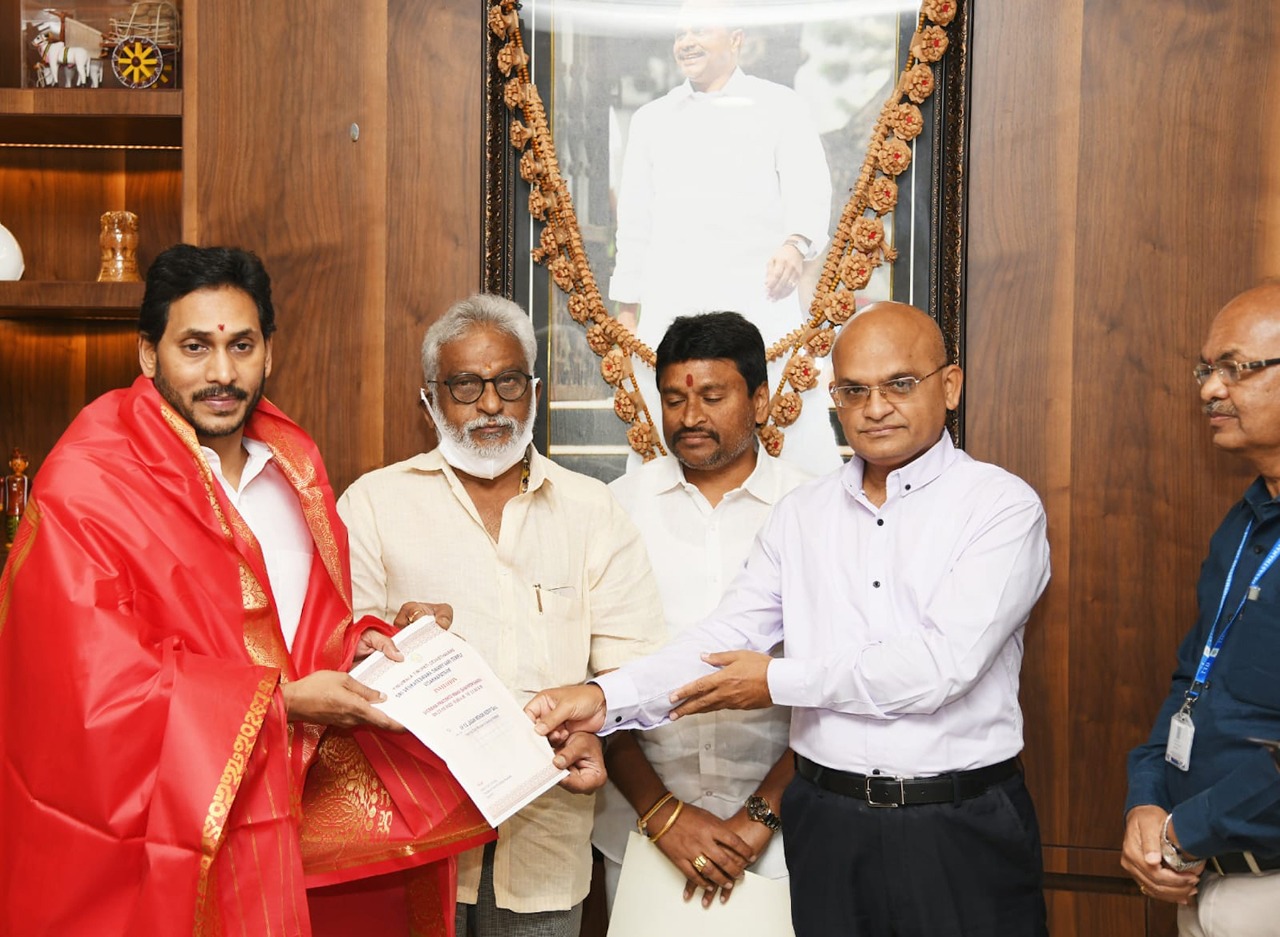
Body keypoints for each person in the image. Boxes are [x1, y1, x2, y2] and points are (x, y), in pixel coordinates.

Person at [0, 244, 511, 936]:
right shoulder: (91, 483)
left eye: (241, 345)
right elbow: (83, 684)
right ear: (148, 355)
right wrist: (283, 702)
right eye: (195, 347)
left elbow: (302, 631)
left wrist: (364, 644)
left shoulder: (293, 470)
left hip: (286, 818)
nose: (222, 372)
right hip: (166, 832)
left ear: (269, 352)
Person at [525, 301, 1053, 937]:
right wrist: (602, 699)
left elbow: (941, 667)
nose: (875, 408)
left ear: (950, 386)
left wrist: (775, 681)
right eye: (853, 390)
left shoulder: (999, 507)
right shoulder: (804, 513)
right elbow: (723, 640)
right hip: (828, 825)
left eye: (899, 384)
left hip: (958, 822)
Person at [337, 293, 666, 937]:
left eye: (508, 382)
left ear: (533, 392)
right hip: (414, 840)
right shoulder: (372, 504)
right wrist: (391, 640)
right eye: (466, 386)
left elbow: (639, 667)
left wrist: (595, 727)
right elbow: (333, 655)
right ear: (430, 400)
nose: (490, 405)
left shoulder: (592, 511)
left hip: (547, 838)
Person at [593, 311, 811, 914]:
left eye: (712, 397)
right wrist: (662, 814)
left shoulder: (814, 508)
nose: (690, 417)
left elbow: (831, 682)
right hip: (641, 831)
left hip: (787, 838)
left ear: (760, 400)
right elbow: (595, 675)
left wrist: (760, 817)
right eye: (673, 399)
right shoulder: (612, 510)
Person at [610, 0, 837, 474]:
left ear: (736, 39)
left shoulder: (779, 106)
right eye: (680, 34)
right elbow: (634, 222)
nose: (686, 42)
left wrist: (795, 244)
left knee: (787, 426)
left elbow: (810, 189)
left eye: (699, 30)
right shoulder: (652, 119)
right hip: (673, 299)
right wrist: (627, 312)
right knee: (665, 431)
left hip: (760, 296)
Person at [1123, 283, 1280, 936]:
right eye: (1206, 369)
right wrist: (1146, 800)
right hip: (1199, 876)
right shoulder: (1243, 524)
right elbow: (1194, 677)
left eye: (1236, 368)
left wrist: (1187, 828)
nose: (1210, 389)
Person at [4, 447, 29, 546]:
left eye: (19, 464)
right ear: (10, 464)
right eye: (15, 464)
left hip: (23, 507)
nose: (17, 467)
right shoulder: (8, 479)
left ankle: (20, 542)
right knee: (10, 524)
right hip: (11, 507)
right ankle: (12, 541)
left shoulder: (27, 480)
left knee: (21, 524)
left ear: (26, 464)